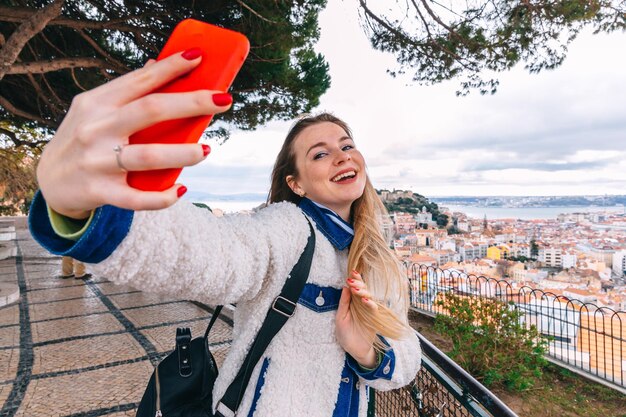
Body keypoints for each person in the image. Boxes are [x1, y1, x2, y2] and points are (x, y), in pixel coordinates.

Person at [28, 49, 421, 417]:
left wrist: (367, 351)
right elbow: (214, 251)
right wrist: (98, 207)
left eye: (347, 145)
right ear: (296, 184)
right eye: (319, 153)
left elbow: (406, 357)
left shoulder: (377, 257)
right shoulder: (287, 230)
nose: (342, 156)